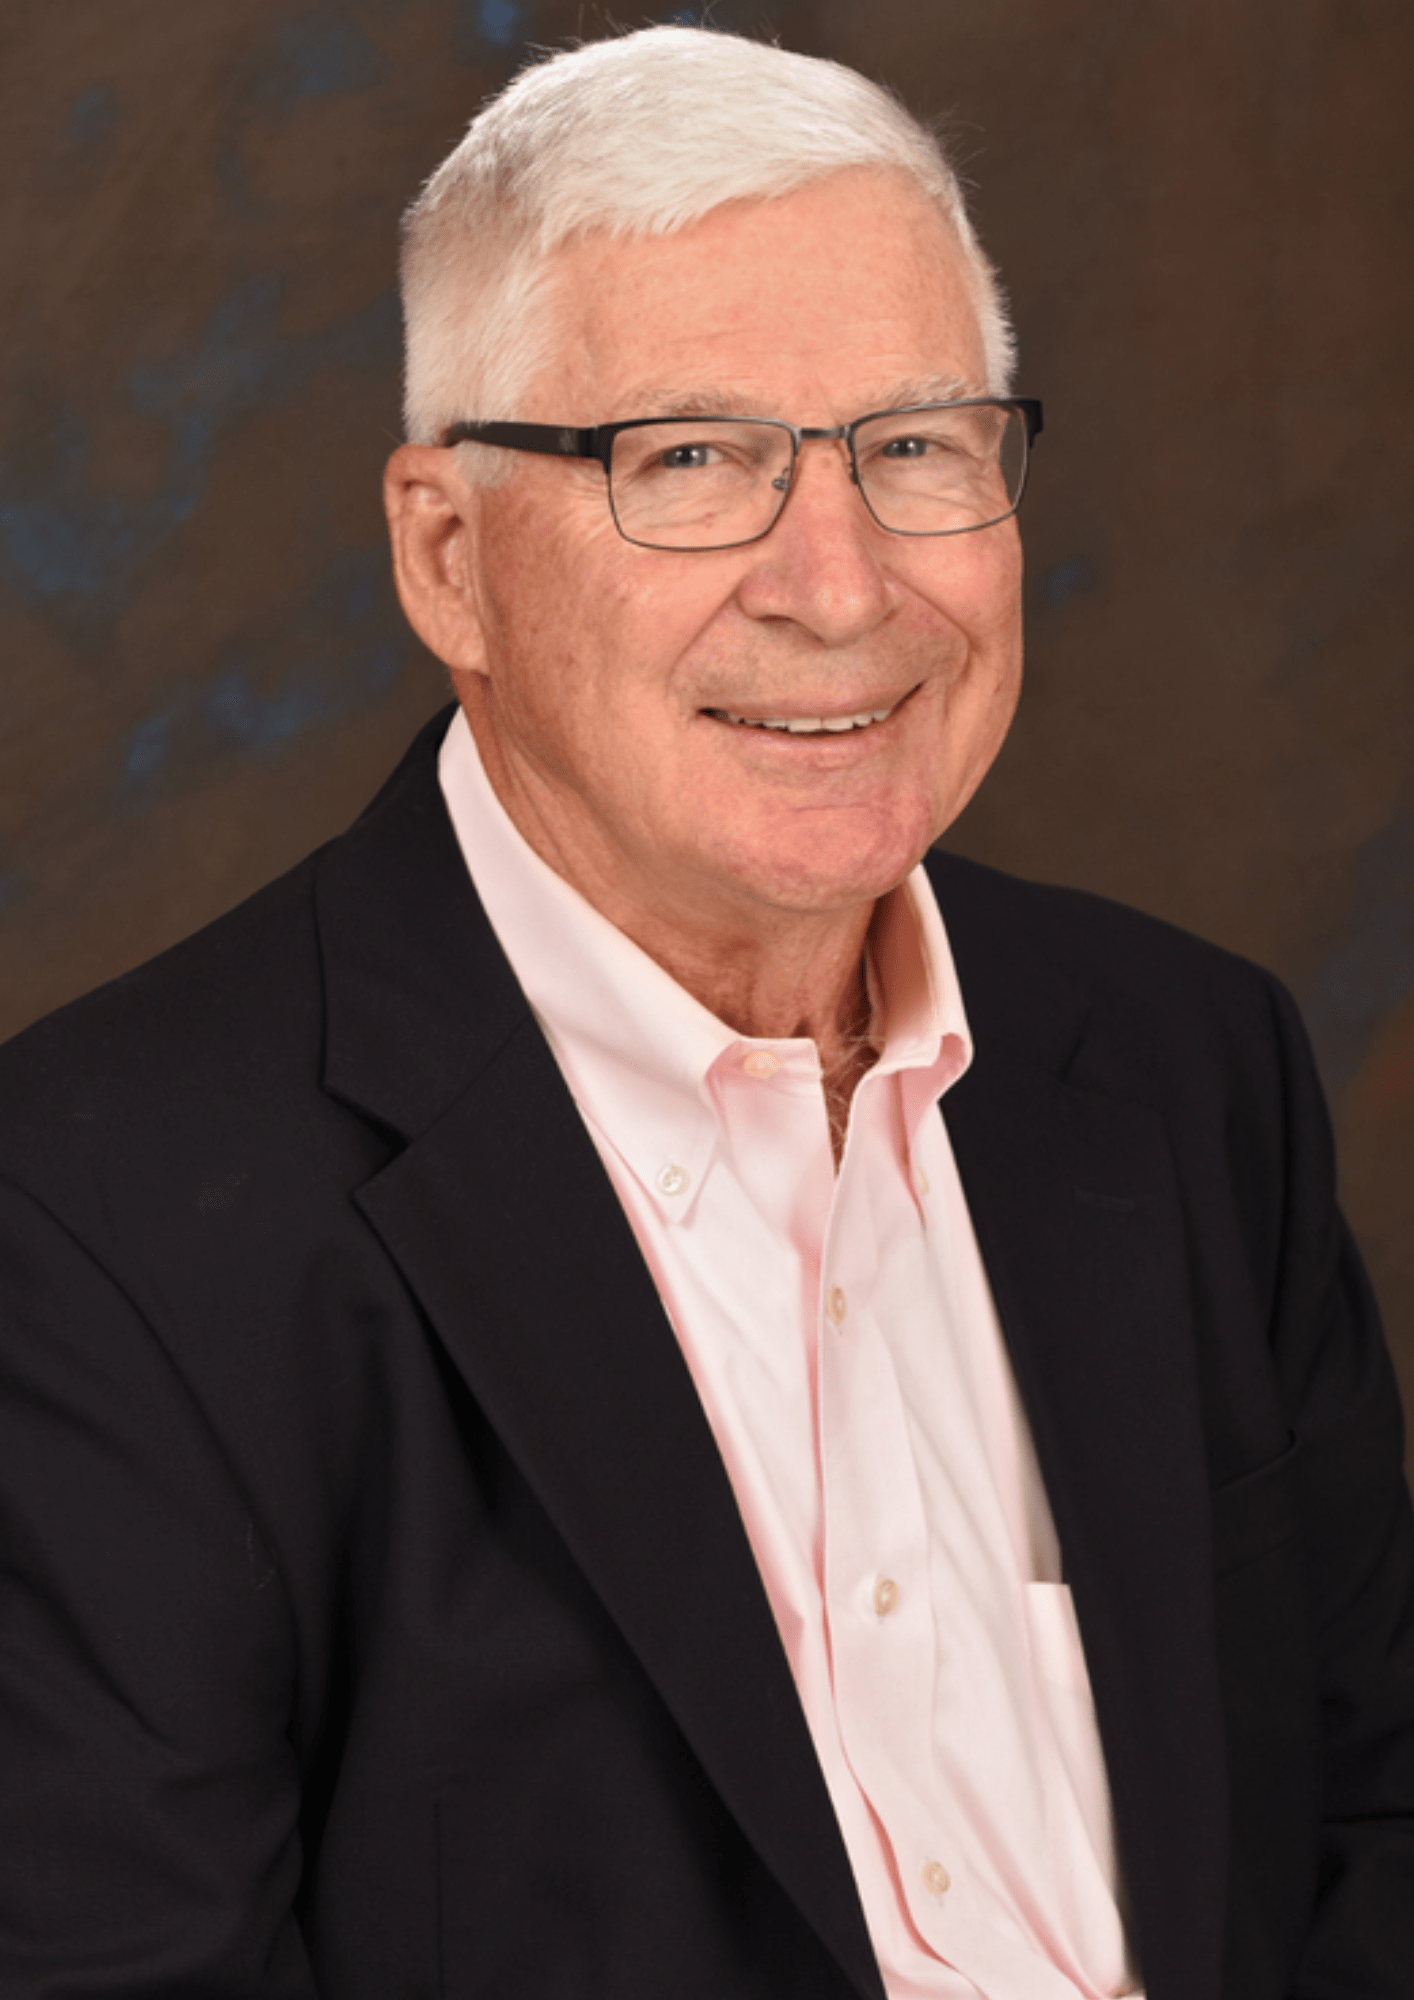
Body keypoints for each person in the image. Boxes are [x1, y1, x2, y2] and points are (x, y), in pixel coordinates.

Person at [0, 23, 1410, 1999]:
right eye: (688, 460)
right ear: (448, 558)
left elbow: (1364, 1822)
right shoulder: (91, 1227)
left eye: (915, 446)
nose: (838, 589)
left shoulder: (1190, 1068)